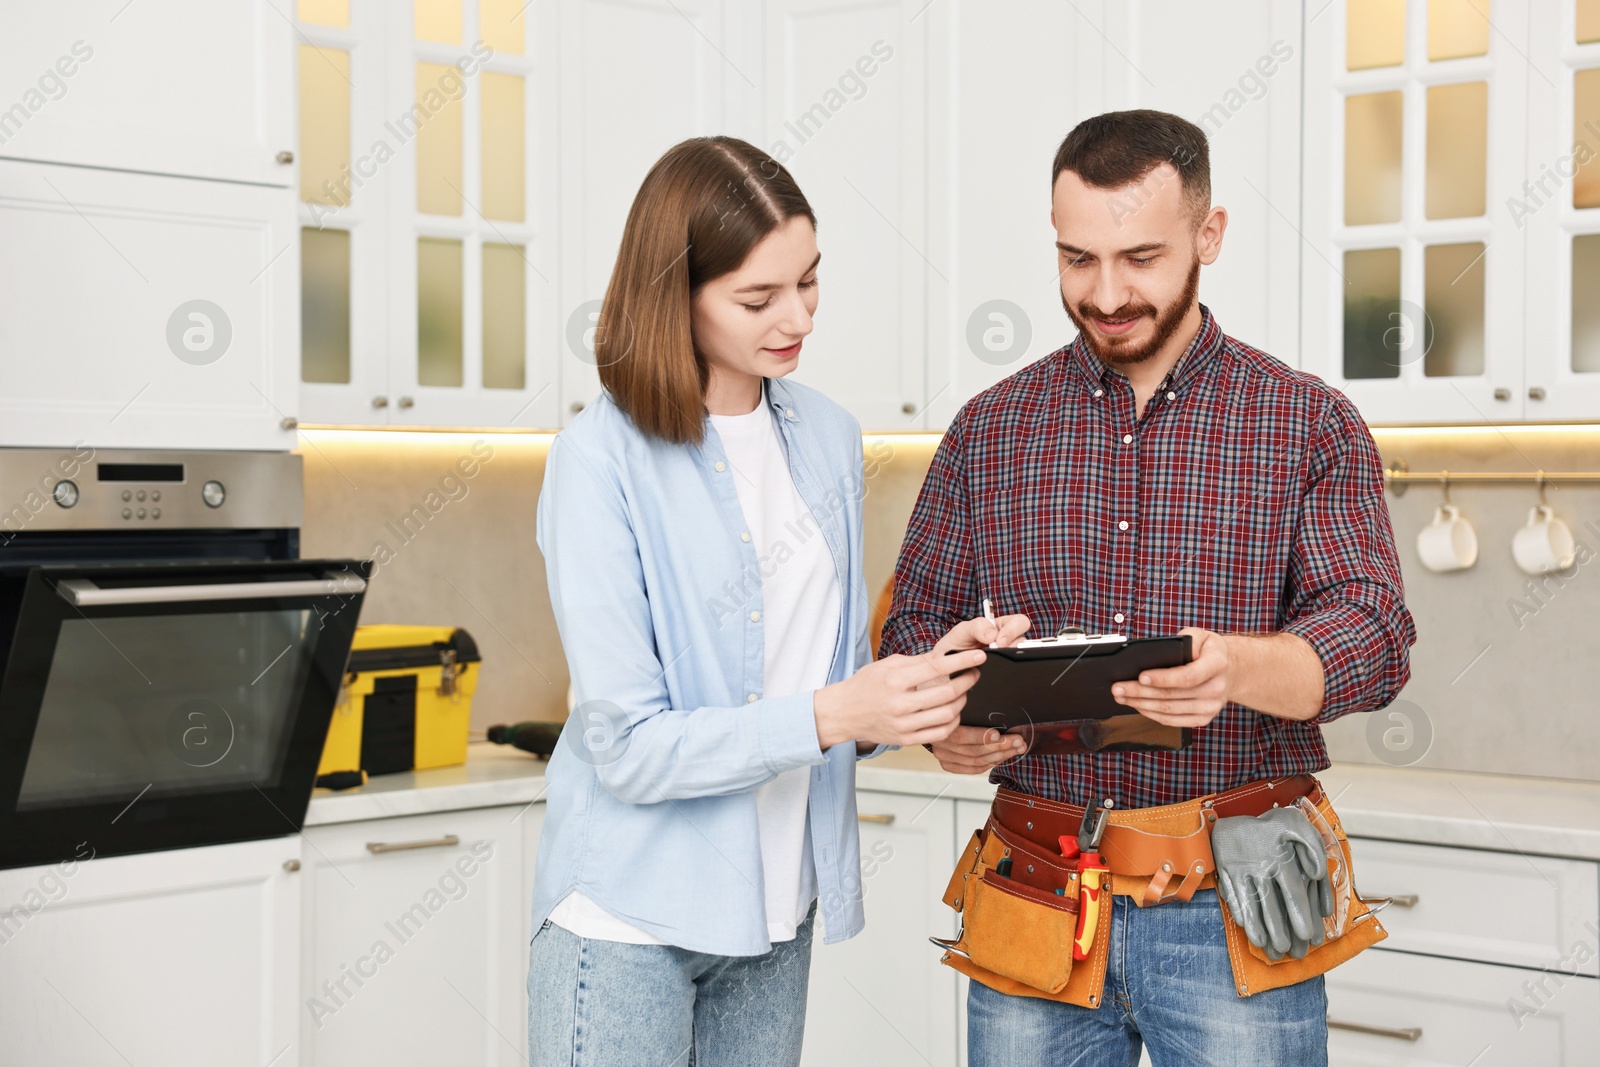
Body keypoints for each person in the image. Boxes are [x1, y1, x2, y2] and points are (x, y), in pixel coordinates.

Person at [881, 110, 1417, 1065]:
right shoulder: (987, 429)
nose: (1107, 292)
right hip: (1034, 901)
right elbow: (913, 626)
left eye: (1140, 256)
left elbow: (1373, 637)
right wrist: (941, 713)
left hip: (1233, 910)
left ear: (1208, 236)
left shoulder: (1306, 421)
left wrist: (1235, 669)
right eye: (1076, 259)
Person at [526, 135, 982, 1067]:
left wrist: (930, 688)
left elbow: (836, 683)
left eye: (809, 282)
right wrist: (834, 712)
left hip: (779, 908)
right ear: (675, 294)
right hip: (629, 915)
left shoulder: (825, 435)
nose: (797, 316)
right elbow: (627, 747)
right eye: (757, 297)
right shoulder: (597, 460)